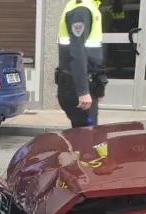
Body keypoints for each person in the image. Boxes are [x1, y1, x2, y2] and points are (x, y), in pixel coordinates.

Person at [55, 0, 107, 128]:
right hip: (77, 85)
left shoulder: (88, 7)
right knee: (86, 137)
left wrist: (99, 89)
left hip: (86, 84)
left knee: (86, 135)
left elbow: (92, 54)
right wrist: (83, 92)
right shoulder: (81, 10)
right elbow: (77, 53)